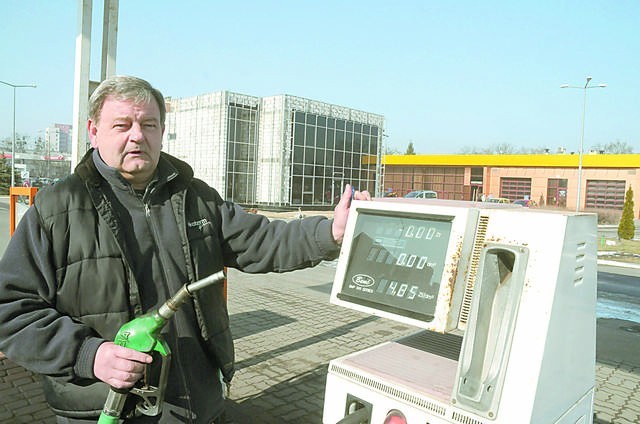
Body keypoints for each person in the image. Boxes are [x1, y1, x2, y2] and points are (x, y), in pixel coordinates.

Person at [0, 75, 371, 423]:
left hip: (198, 403)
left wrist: (332, 233)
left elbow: (264, 240)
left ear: (162, 131)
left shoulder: (195, 198)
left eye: (148, 125)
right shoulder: (57, 208)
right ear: (94, 132)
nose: (137, 136)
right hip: (109, 408)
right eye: (122, 125)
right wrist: (89, 354)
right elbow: (11, 310)